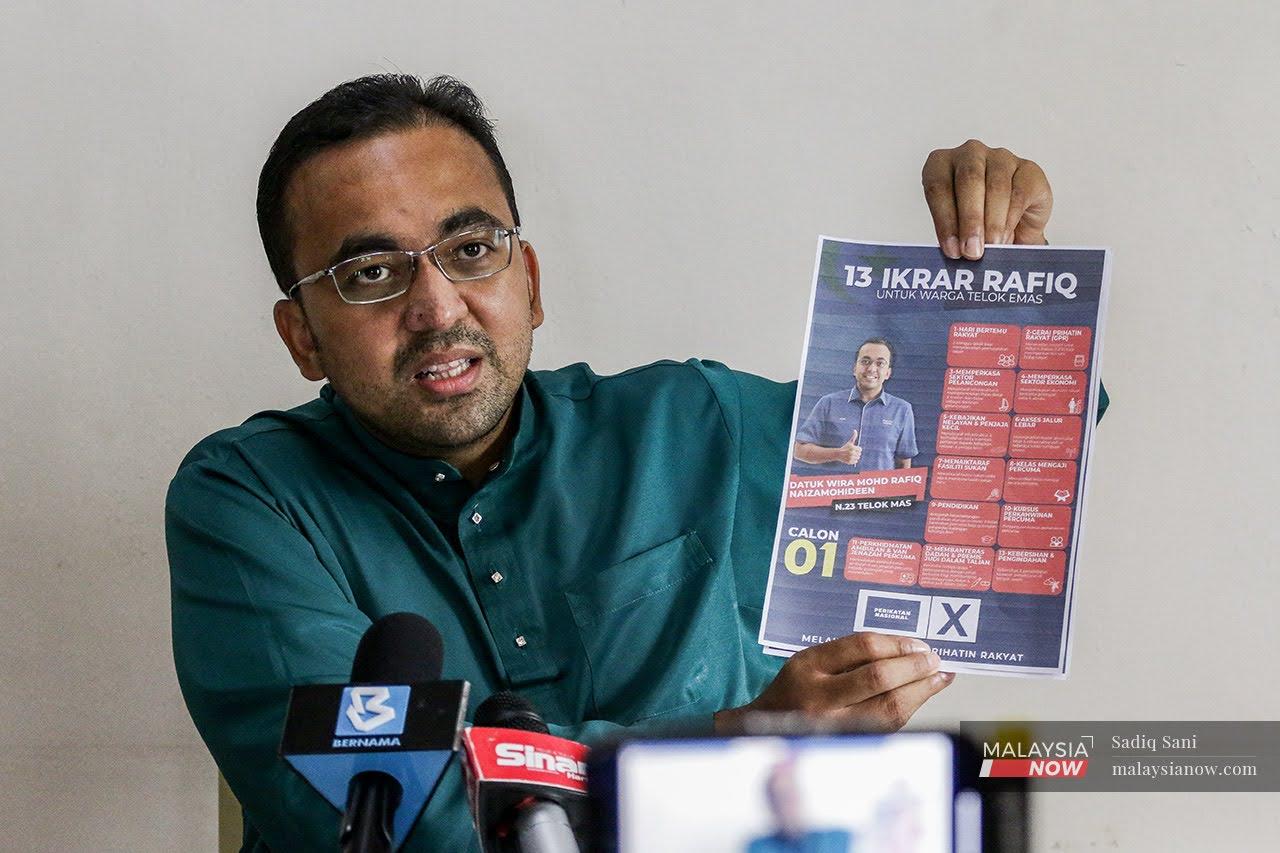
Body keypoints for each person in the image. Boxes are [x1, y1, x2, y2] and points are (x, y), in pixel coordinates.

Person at [166, 74, 1060, 850]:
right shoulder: (249, 502)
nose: (437, 307)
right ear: (302, 337)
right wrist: (731, 743)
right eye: (370, 273)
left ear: (530, 282)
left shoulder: (690, 424)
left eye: (471, 251)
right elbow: (395, 815)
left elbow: (988, 471)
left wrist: (1005, 285)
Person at [793, 337, 917, 472]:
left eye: (880, 363)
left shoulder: (902, 409)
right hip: (835, 485)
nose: (871, 368)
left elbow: (904, 463)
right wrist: (837, 454)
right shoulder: (828, 403)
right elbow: (799, 450)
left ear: (888, 373)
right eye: (865, 361)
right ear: (854, 368)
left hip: (880, 486)